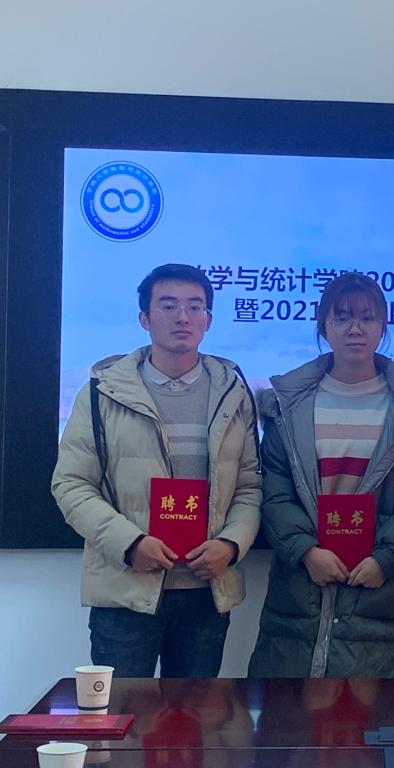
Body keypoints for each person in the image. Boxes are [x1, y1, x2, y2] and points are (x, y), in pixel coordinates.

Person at [52, 263, 261, 677]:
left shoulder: (234, 393)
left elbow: (249, 487)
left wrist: (230, 545)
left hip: (206, 593)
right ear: (145, 318)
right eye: (168, 306)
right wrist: (130, 544)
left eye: (194, 307)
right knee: (122, 713)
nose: (183, 317)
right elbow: (71, 484)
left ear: (208, 320)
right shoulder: (101, 393)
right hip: (127, 590)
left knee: (195, 715)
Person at [248, 272, 394, 678]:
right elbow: (275, 492)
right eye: (342, 317)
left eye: (367, 318)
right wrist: (306, 551)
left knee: (378, 717)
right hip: (302, 593)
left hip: (383, 596)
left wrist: (384, 559)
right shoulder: (287, 405)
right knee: (292, 717)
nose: (355, 328)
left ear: (383, 326)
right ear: (324, 326)